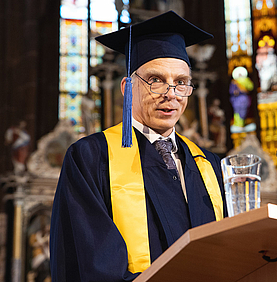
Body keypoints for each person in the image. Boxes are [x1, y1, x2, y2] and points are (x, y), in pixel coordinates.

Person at [50, 11, 227, 282]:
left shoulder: (209, 165)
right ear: (127, 87)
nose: (171, 94)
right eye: (156, 80)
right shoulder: (91, 157)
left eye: (181, 82)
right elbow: (90, 261)